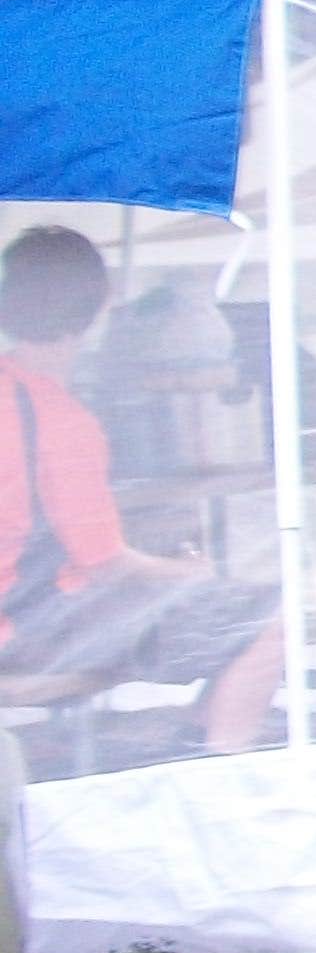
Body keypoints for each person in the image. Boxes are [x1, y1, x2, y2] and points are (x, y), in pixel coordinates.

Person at [0, 227, 286, 753]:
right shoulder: (61, 420)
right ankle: (221, 766)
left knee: (209, 607)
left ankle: (196, 736)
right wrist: (189, 572)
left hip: (26, 614)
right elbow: (105, 562)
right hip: (30, 633)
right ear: (98, 306)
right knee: (269, 617)